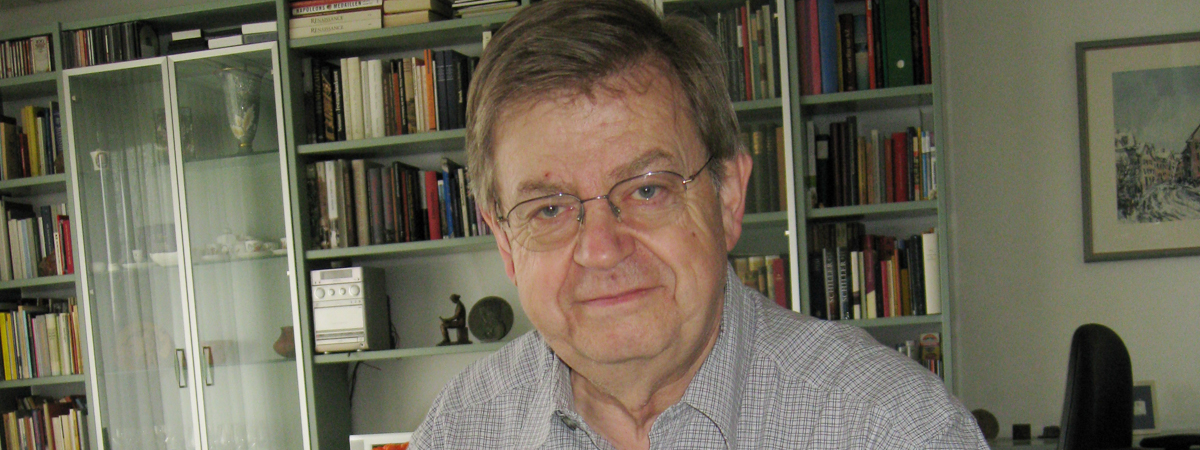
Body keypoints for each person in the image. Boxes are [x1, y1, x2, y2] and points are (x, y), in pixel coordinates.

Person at [411, 0, 987, 448]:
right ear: (505, 243)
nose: (602, 249)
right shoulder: (458, 432)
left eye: (647, 189)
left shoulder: (894, 428)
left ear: (728, 196)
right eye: (549, 210)